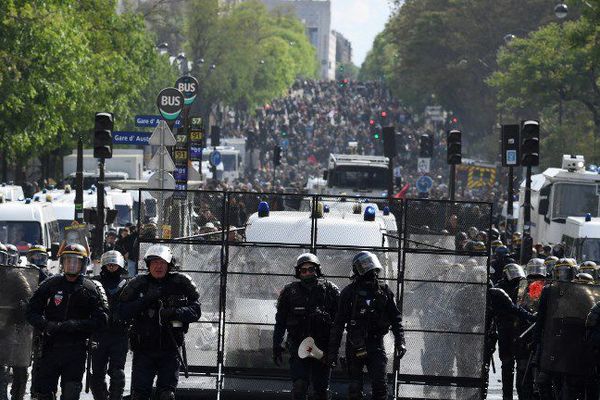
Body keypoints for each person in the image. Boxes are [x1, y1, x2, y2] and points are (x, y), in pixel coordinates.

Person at [26, 243, 109, 400]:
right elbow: (31, 312)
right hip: (49, 347)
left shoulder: (91, 289)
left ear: (83, 264)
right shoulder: (49, 284)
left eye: (76, 261)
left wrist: (76, 325)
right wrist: (46, 325)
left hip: (75, 350)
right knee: (43, 394)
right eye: (68, 261)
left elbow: (102, 319)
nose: (71, 265)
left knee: (71, 394)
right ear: (62, 263)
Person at [119, 244, 201, 400]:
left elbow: (196, 311)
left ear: (169, 264)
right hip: (144, 350)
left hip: (170, 349)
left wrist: (175, 312)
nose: (158, 266)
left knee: (166, 395)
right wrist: (145, 300)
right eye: (154, 262)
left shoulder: (181, 283)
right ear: (148, 265)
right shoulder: (138, 284)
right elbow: (122, 311)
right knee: (139, 395)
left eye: (162, 262)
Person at [328, 251, 406, 400]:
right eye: (363, 265)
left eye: (369, 263)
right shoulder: (349, 293)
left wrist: (400, 341)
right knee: (355, 389)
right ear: (357, 269)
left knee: (380, 386)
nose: (368, 268)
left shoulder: (384, 291)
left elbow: (396, 319)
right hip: (354, 344)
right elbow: (338, 325)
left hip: (376, 344)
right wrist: (333, 353)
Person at [272, 253, 339, 400]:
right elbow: (281, 321)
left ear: (317, 270)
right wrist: (276, 345)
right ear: (298, 272)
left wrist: (334, 349)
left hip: (322, 347)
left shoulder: (330, 290)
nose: (308, 273)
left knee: (321, 391)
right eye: (304, 270)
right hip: (298, 346)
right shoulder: (290, 292)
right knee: (299, 386)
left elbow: (339, 321)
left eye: (311, 269)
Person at [534, 258, 598, 399]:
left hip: (587, 349)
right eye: (559, 271)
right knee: (553, 383)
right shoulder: (555, 294)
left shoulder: (593, 298)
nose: (562, 275)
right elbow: (548, 322)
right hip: (565, 349)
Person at [90, 251, 129, 400]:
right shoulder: (95, 283)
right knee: (97, 373)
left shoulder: (128, 284)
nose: (111, 266)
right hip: (99, 333)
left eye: (114, 264)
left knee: (117, 372)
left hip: (120, 334)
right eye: (109, 264)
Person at [0, 242, 36, 400]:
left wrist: (18, 308)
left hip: (11, 329)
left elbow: (28, 299)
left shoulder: (15, 276)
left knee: (18, 370)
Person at [494, 263, 527, 400]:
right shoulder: (499, 288)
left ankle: (522, 394)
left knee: (521, 364)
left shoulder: (523, 286)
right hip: (505, 329)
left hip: (520, 328)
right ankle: (507, 396)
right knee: (507, 364)